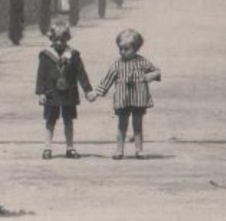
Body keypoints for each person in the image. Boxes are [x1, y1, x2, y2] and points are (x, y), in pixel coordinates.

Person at [91, 27, 162, 159]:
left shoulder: (142, 62)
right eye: (120, 49)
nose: (123, 52)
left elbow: (157, 72)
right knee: (122, 124)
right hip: (122, 99)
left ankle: (139, 150)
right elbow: (107, 80)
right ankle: (119, 150)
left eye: (126, 49)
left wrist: (149, 77)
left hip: (139, 98)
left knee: (137, 124)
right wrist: (96, 94)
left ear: (135, 48)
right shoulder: (117, 65)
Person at [34, 19, 92, 159]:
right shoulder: (46, 56)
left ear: (67, 38)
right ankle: (47, 147)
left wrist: (87, 89)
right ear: (51, 38)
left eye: (62, 39)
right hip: (51, 93)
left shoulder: (73, 55)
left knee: (68, 120)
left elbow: (81, 73)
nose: (59, 43)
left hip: (68, 92)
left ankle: (70, 147)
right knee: (50, 120)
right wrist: (41, 92)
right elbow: (41, 74)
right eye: (56, 39)